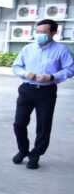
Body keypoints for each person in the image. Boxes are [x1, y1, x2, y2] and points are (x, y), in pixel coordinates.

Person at [11, 19, 74, 169]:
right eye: (37, 32)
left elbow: (70, 70)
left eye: (43, 32)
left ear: (54, 33)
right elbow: (16, 66)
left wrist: (52, 77)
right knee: (19, 123)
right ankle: (23, 150)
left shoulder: (61, 50)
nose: (39, 35)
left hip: (46, 92)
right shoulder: (28, 49)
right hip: (27, 90)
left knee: (43, 126)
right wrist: (24, 73)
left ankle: (35, 155)